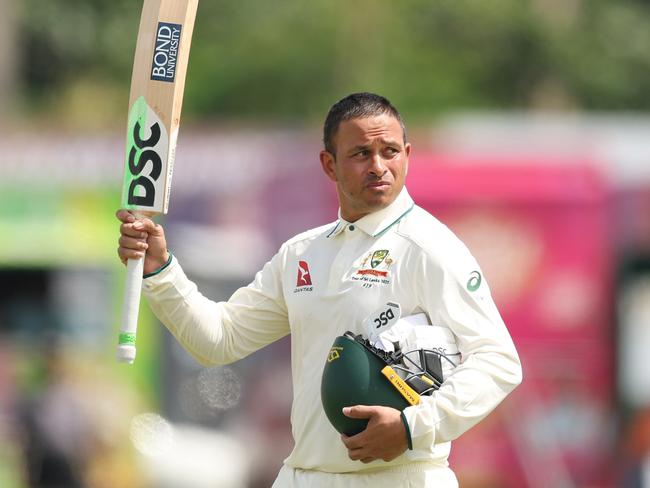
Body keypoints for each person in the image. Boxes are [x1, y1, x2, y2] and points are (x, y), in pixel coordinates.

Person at [116, 92, 522, 487]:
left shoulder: (429, 247)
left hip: (401, 477)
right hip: (304, 476)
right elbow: (219, 340)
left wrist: (412, 427)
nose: (378, 166)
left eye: (390, 151)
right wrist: (160, 270)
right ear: (329, 165)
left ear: (408, 155)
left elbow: (498, 361)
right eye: (361, 153)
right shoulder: (302, 254)